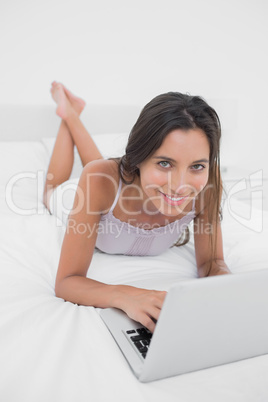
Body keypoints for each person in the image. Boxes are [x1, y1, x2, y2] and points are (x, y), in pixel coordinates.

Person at [43, 81, 231, 333]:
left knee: (100, 170)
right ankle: (69, 114)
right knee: (56, 189)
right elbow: (67, 282)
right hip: (76, 199)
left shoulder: (207, 184)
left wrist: (231, 290)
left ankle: (72, 112)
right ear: (139, 159)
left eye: (197, 166)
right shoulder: (98, 181)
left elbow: (212, 263)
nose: (180, 186)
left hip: (109, 182)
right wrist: (126, 295)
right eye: (165, 163)